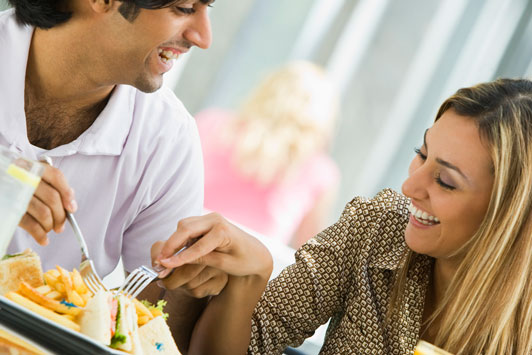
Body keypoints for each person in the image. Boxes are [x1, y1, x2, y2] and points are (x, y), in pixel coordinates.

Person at [153, 78, 532, 354]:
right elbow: (252, 342)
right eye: (421, 153)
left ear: (507, 217)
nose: (410, 187)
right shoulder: (378, 227)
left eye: (445, 181)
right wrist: (250, 277)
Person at [0, 0, 223, 350]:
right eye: (183, 7)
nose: (204, 37)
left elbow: (154, 329)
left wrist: (196, 282)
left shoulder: (166, 139)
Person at [196, 61, 340, 248]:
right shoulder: (320, 172)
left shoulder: (212, 124)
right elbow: (309, 252)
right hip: (248, 269)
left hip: (184, 242)